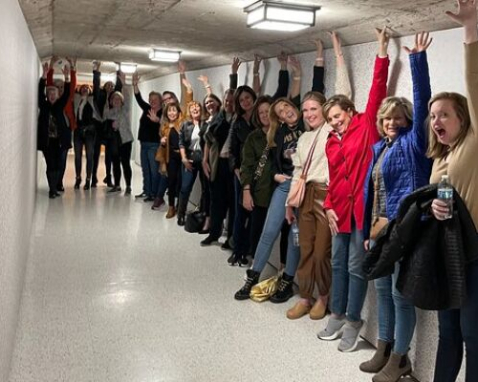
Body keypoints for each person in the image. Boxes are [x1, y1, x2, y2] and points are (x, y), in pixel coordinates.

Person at [360, 32, 433, 381]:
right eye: (386, 118)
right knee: (381, 291)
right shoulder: (379, 149)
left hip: (404, 229)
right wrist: (366, 231)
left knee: (399, 296)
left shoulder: (415, 144)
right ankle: (384, 348)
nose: (391, 122)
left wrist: (418, 62)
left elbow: (423, 105)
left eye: (397, 117)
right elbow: (371, 193)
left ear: (406, 120)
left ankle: (401, 359)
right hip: (379, 229)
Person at [317, 27, 390, 353]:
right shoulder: (331, 141)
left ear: (350, 111)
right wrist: (328, 206)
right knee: (336, 264)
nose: (334, 122)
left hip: (362, 211)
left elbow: (378, 89)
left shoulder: (366, 125)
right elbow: (334, 179)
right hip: (338, 211)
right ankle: (336, 312)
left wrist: (381, 51)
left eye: (337, 116)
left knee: (355, 267)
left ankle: (353, 319)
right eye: (329, 119)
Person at [234, 51, 321, 303]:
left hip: (305, 188)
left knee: (294, 237)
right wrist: (276, 178)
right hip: (285, 187)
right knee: (268, 231)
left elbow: (316, 94)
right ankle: (252, 277)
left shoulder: (309, 124)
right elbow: (273, 164)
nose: (286, 112)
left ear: (295, 107)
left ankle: (286, 282)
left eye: (288, 107)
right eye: (281, 111)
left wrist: (306, 67)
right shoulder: (279, 134)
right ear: (279, 118)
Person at [284, 32, 352, 321]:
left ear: (324, 111)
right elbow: (298, 172)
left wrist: (336, 55)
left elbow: (343, 93)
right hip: (305, 195)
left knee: (323, 251)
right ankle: (305, 295)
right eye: (306, 110)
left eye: (314, 109)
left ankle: (323, 297)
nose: (309, 113)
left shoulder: (331, 131)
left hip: (327, 196)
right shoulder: (303, 139)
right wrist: (289, 203)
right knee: (307, 247)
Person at [428, 2, 478, 381]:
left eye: (444, 113)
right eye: (433, 115)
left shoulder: (474, 144)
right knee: (448, 334)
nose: (436, 120)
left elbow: (475, 85)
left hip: (475, 255)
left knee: (473, 336)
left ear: (464, 117)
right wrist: (433, 208)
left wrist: (471, 31)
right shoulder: (441, 156)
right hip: (448, 254)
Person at [37, 62, 71, 198]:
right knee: (50, 164)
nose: (52, 95)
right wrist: (44, 77)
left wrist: (67, 77)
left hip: (59, 141)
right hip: (47, 141)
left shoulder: (59, 105)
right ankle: (52, 190)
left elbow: (67, 93)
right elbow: (40, 92)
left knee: (57, 165)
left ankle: (54, 187)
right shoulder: (44, 105)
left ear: (57, 95)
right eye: (50, 93)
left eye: (54, 93)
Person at [46, 56, 77, 191]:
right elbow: (48, 83)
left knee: (62, 159)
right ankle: (53, 184)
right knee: (53, 160)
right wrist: (51, 66)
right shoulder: (51, 101)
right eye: (57, 87)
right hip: (52, 134)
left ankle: (59, 183)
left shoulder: (68, 98)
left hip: (65, 132)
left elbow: (72, 84)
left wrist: (72, 69)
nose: (60, 88)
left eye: (62, 86)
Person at [132, 71, 162, 202]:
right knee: (145, 170)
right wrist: (135, 85)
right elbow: (139, 98)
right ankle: (147, 191)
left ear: (160, 101)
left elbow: (167, 125)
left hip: (154, 146)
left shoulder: (163, 112)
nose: (152, 102)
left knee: (154, 172)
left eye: (154, 100)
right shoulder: (148, 109)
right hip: (144, 144)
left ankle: (155, 194)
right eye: (150, 100)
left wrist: (158, 121)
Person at [177, 101, 208, 226]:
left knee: (206, 188)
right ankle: (181, 214)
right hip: (189, 158)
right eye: (192, 108)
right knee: (185, 188)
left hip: (204, 159)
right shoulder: (186, 125)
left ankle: (202, 212)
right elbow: (181, 143)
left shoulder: (206, 124)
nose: (195, 109)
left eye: (197, 107)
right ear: (189, 111)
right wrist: (184, 159)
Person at [92, 60, 121, 188]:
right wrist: (97, 71)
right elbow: (96, 84)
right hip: (99, 128)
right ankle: (93, 178)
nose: (110, 87)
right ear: (104, 87)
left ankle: (108, 178)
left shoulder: (114, 98)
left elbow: (119, 87)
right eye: (108, 85)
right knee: (95, 154)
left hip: (109, 130)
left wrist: (119, 69)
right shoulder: (100, 96)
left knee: (109, 156)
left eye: (112, 86)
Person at [103, 72, 134, 194]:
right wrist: (107, 95)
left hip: (125, 140)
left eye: (118, 99)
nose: (116, 100)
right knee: (115, 163)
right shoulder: (108, 112)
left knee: (125, 163)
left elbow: (128, 97)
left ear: (122, 101)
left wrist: (123, 83)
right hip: (113, 141)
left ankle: (128, 185)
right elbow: (105, 113)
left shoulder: (125, 110)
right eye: (114, 99)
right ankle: (117, 185)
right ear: (111, 101)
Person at [156, 102, 184, 218]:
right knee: (171, 182)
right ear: (166, 113)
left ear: (178, 112)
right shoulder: (164, 127)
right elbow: (163, 145)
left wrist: (188, 89)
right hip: (170, 157)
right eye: (169, 111)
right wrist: (162, 142)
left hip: (183, 157)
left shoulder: (182, 123)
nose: (172, 113)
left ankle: (180, 207)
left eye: (174, 110)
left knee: (182, 183)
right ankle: (171, 207)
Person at [74, 84, 100, 190]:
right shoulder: (76, 100)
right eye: (83, 88)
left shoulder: (93, 100)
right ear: (79, 90)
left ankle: (88, 179)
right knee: (77, 156)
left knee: (89, 156)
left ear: (90, 91)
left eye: (87, 88)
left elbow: (97, 116)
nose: (84, 89)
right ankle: (78, 178)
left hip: (89, 131)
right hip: (78, 130)